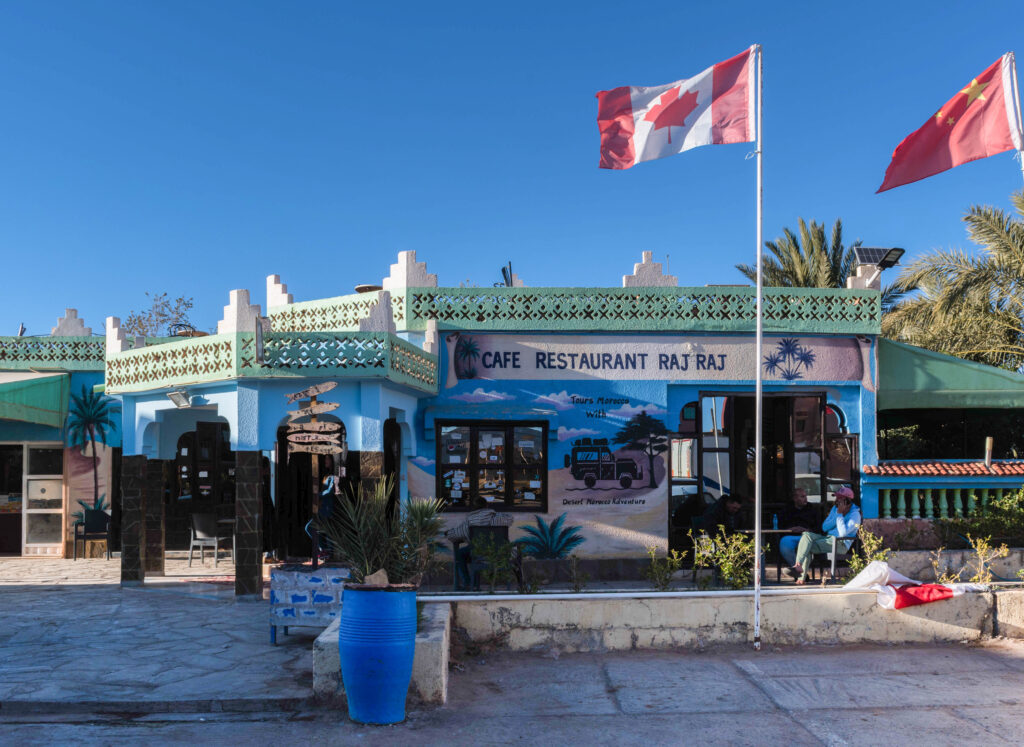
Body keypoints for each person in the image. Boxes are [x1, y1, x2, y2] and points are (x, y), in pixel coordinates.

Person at [785, 486, 862, 584]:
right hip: (828, 538)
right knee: (806, 535)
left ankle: (801, 578)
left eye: (839, 499)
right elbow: (824, 527)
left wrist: (839, 515)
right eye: (837, 498)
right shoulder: (835, 508)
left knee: (807, 547)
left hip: (840, 543)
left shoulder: (855, 515)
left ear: (846, 501)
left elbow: (842, 533)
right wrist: (837, 514)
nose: (836, 500)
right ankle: (798, 565)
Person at [446, 506, 514, 590]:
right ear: (486, 506)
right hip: (499, 554)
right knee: (468, 551)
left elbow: (453, 535)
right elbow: (511, 519)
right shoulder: (500, 518)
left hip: (478, 555)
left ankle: (468, 583)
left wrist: (448, 533)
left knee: (460, 554)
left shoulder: (470, 520)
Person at [778, 487, 820, 568]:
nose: (805, 499)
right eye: (802, 497)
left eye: (806, 496)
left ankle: (799, 572)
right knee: (784, 543)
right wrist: (789, 530)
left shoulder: (812, 509)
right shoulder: (787, 509)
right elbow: (780, 526)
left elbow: (819, 527)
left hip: (808, 536)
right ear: (795, 498)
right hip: (791, 536)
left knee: (807, 545)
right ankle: (798, 568)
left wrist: (807, 530)